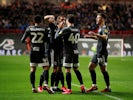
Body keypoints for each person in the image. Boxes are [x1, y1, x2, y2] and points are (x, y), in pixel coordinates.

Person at [21, 15, 54, 94]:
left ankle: (33, 87)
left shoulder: (29, 28)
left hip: (33, 51)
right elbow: (48, 41)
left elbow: (22, 40)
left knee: (32, 69)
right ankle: (45, 84)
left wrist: (28, 41)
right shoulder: (44, 29)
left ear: (34, 21)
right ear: (41, 22)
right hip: (42, 51)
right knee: (46, 67)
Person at [55, 14, 85, 94]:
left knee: (67, 70)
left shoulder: (66, 29)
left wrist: (59, 28)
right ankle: (82, 85)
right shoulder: (77, 29)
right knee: (76, 69)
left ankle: (69, 89)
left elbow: (56, 37)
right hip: (76, 52)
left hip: (68, 52)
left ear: (67, 20)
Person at [38, 15, 67, 93]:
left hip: (59, 51)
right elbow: (45, 19)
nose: (63, 21)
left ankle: (55, 86)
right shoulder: (53, 27)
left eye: (64, 20)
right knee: (48, 68)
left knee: (58, 69)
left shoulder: (64, 29)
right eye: (61, 20)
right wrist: (51, 16)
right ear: (57, 21)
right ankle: (41, 85)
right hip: (51, 51)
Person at [84, 13, 111, 92]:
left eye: (98, 18)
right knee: (90, 67)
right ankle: (94, 86)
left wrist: (95, 34)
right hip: (98, 52)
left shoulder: (105, 28)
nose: (96, 19)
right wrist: (90, 37)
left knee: (103, 70)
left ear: (102, 19)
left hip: (102, 52)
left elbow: (105, 37)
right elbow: (99, 38)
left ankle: (108, 87)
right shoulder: (100, 28)